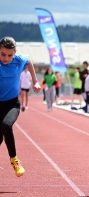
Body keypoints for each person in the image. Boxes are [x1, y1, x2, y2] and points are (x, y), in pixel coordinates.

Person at [0, 36, 41, 177]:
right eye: (3, 54)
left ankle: (14, 160)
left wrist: (35, 81)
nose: (6, 58)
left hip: (12, 104)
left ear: (15, 53)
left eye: (9, 55)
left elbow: (29, 60)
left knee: (6, 125)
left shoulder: (19, 60)